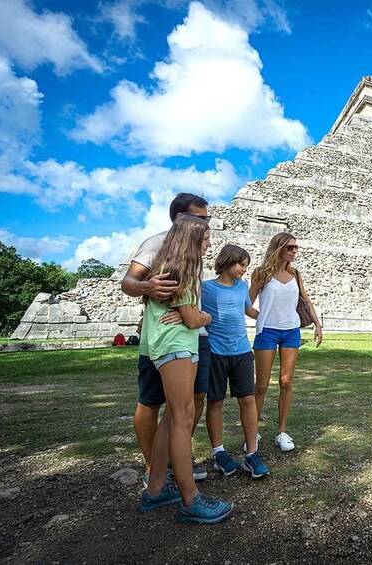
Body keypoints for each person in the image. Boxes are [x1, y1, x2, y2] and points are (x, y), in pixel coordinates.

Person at [138, 215, 232, 523]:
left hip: (177, 346)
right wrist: (204, 316)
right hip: (175, 346)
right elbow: (193, 319)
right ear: (191, 239)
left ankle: (155, 491)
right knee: (183, 418)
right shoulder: (180, 269)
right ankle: (190, 499)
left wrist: (193, 315)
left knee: (171, 419)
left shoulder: (173, 266)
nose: (209, 244)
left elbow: (186, 314)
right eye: (205, 239)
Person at [121, 193, 211, 487]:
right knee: (152, 403)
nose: (206, 224)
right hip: (166, 339)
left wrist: (191, 315)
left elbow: (188, 302)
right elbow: (128, 283)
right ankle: (155, 468)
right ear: (180, 218)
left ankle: (172, 461)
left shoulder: (193, 248)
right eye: (200, 218)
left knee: (191, 403)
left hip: (193, 337)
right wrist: (147, 286)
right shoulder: (158, 244)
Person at [249, 233, 322, 453]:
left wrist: (317, 325)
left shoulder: (296, 274)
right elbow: (246, 303)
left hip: (291, 331)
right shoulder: (261, 274)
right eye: (290, 247)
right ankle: (253, 433)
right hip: (267, 332)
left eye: (295, 247)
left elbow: (306, 301)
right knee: (261, 386)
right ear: (279, 247)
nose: (294, 251)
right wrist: (261, 317)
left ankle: (282, 431)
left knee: (286, 382)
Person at [202, 244, 269, 479]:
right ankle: (219, 452)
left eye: (246, 265)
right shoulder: (205, 288)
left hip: (241, 351)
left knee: (248, 401)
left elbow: (248, 310)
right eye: (241, 264)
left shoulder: (242, 287)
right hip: (215, 352)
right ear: (227, 261)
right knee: (215, 402)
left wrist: (273, 320)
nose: (243, 269)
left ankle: (252, 454)